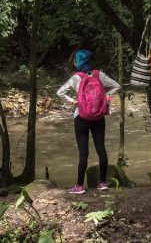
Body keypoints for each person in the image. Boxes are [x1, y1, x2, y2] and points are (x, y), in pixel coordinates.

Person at [57, 49, 120, 194]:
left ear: (76, 62)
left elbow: (59, 92)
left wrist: (74, 101)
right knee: (101, 149)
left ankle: (79, 186)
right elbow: (117, 86)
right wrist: (105, 96)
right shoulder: (99, 75)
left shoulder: (75, 78)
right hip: (98, 116)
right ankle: (102, 183)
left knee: (83, 153)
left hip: (81, 117)